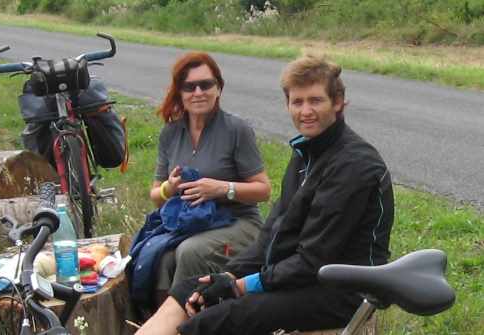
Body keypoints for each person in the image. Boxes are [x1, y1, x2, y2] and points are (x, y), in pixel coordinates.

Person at [136, 55, 395, 335]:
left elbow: (313, 260)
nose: (305, 111)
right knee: (189, 289)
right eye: (297, 102)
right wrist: (228, 275)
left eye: (315, 100)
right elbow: (272, 234)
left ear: (338, 103)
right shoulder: (307, 155)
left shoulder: (353, 165)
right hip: (301, 278)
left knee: (215, 321)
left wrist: (241, 285)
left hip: (342, 290)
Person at [146, 52, 271, 308]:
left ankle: (184, 320)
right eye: (190, 86)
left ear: (219, 88)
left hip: (240, 222)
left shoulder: (236, 130)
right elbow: (156, 195)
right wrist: (170, 188)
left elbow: (263, 190)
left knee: (189, 252)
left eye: (206, 84)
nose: (198, 92)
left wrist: (222, 188)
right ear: (179, 92)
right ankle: (149, 317)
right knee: (157, 255)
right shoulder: (171, 133)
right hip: (191, 222)